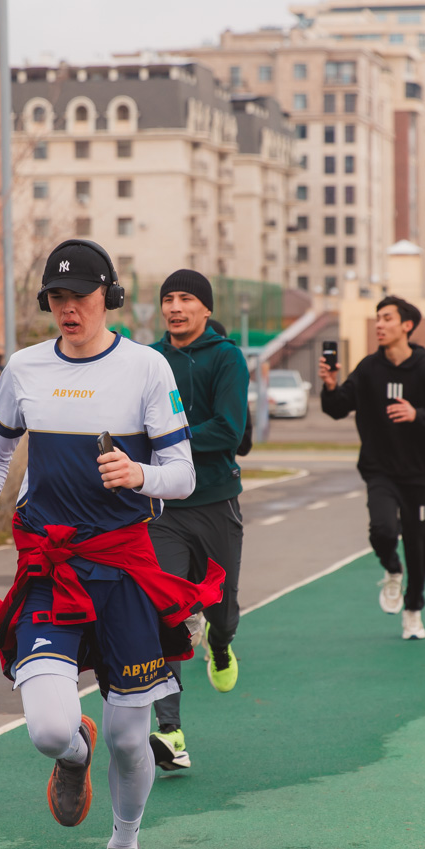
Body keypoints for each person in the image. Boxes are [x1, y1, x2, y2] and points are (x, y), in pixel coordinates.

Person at [0, 240, 223, 849]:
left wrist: (138, 474)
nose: (67, 308)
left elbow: (183, 476)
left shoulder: (145, 367)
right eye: (56, 297)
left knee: (132, 739)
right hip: (51, 568)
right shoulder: (25, 368)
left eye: (79, 295)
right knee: (49, 729)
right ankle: (74, 755)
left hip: (123, 570)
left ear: (109, 297)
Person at [146, 271, 250, 772]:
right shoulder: (149, 359)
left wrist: (169, 438)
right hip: (164, 509)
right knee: (165, 613)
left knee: (221, 612)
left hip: (214, 502)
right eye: (168, 299)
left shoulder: (226, 357)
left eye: (186, 298)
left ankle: (222, 644)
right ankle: (170, 732)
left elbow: (229, 430)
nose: (175, 307)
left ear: (205, 309)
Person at [319, 295, 425, 640]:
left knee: (419, 546)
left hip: (420, 474)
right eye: (377, 318)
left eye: (387, 318)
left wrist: (416, 414)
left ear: (407, 326)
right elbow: (337, 408)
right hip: (379, 469)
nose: (379, 324)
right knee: (382, 529)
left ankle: (414, 609)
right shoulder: (368, 368)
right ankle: (393, 570)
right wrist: (331, 386)